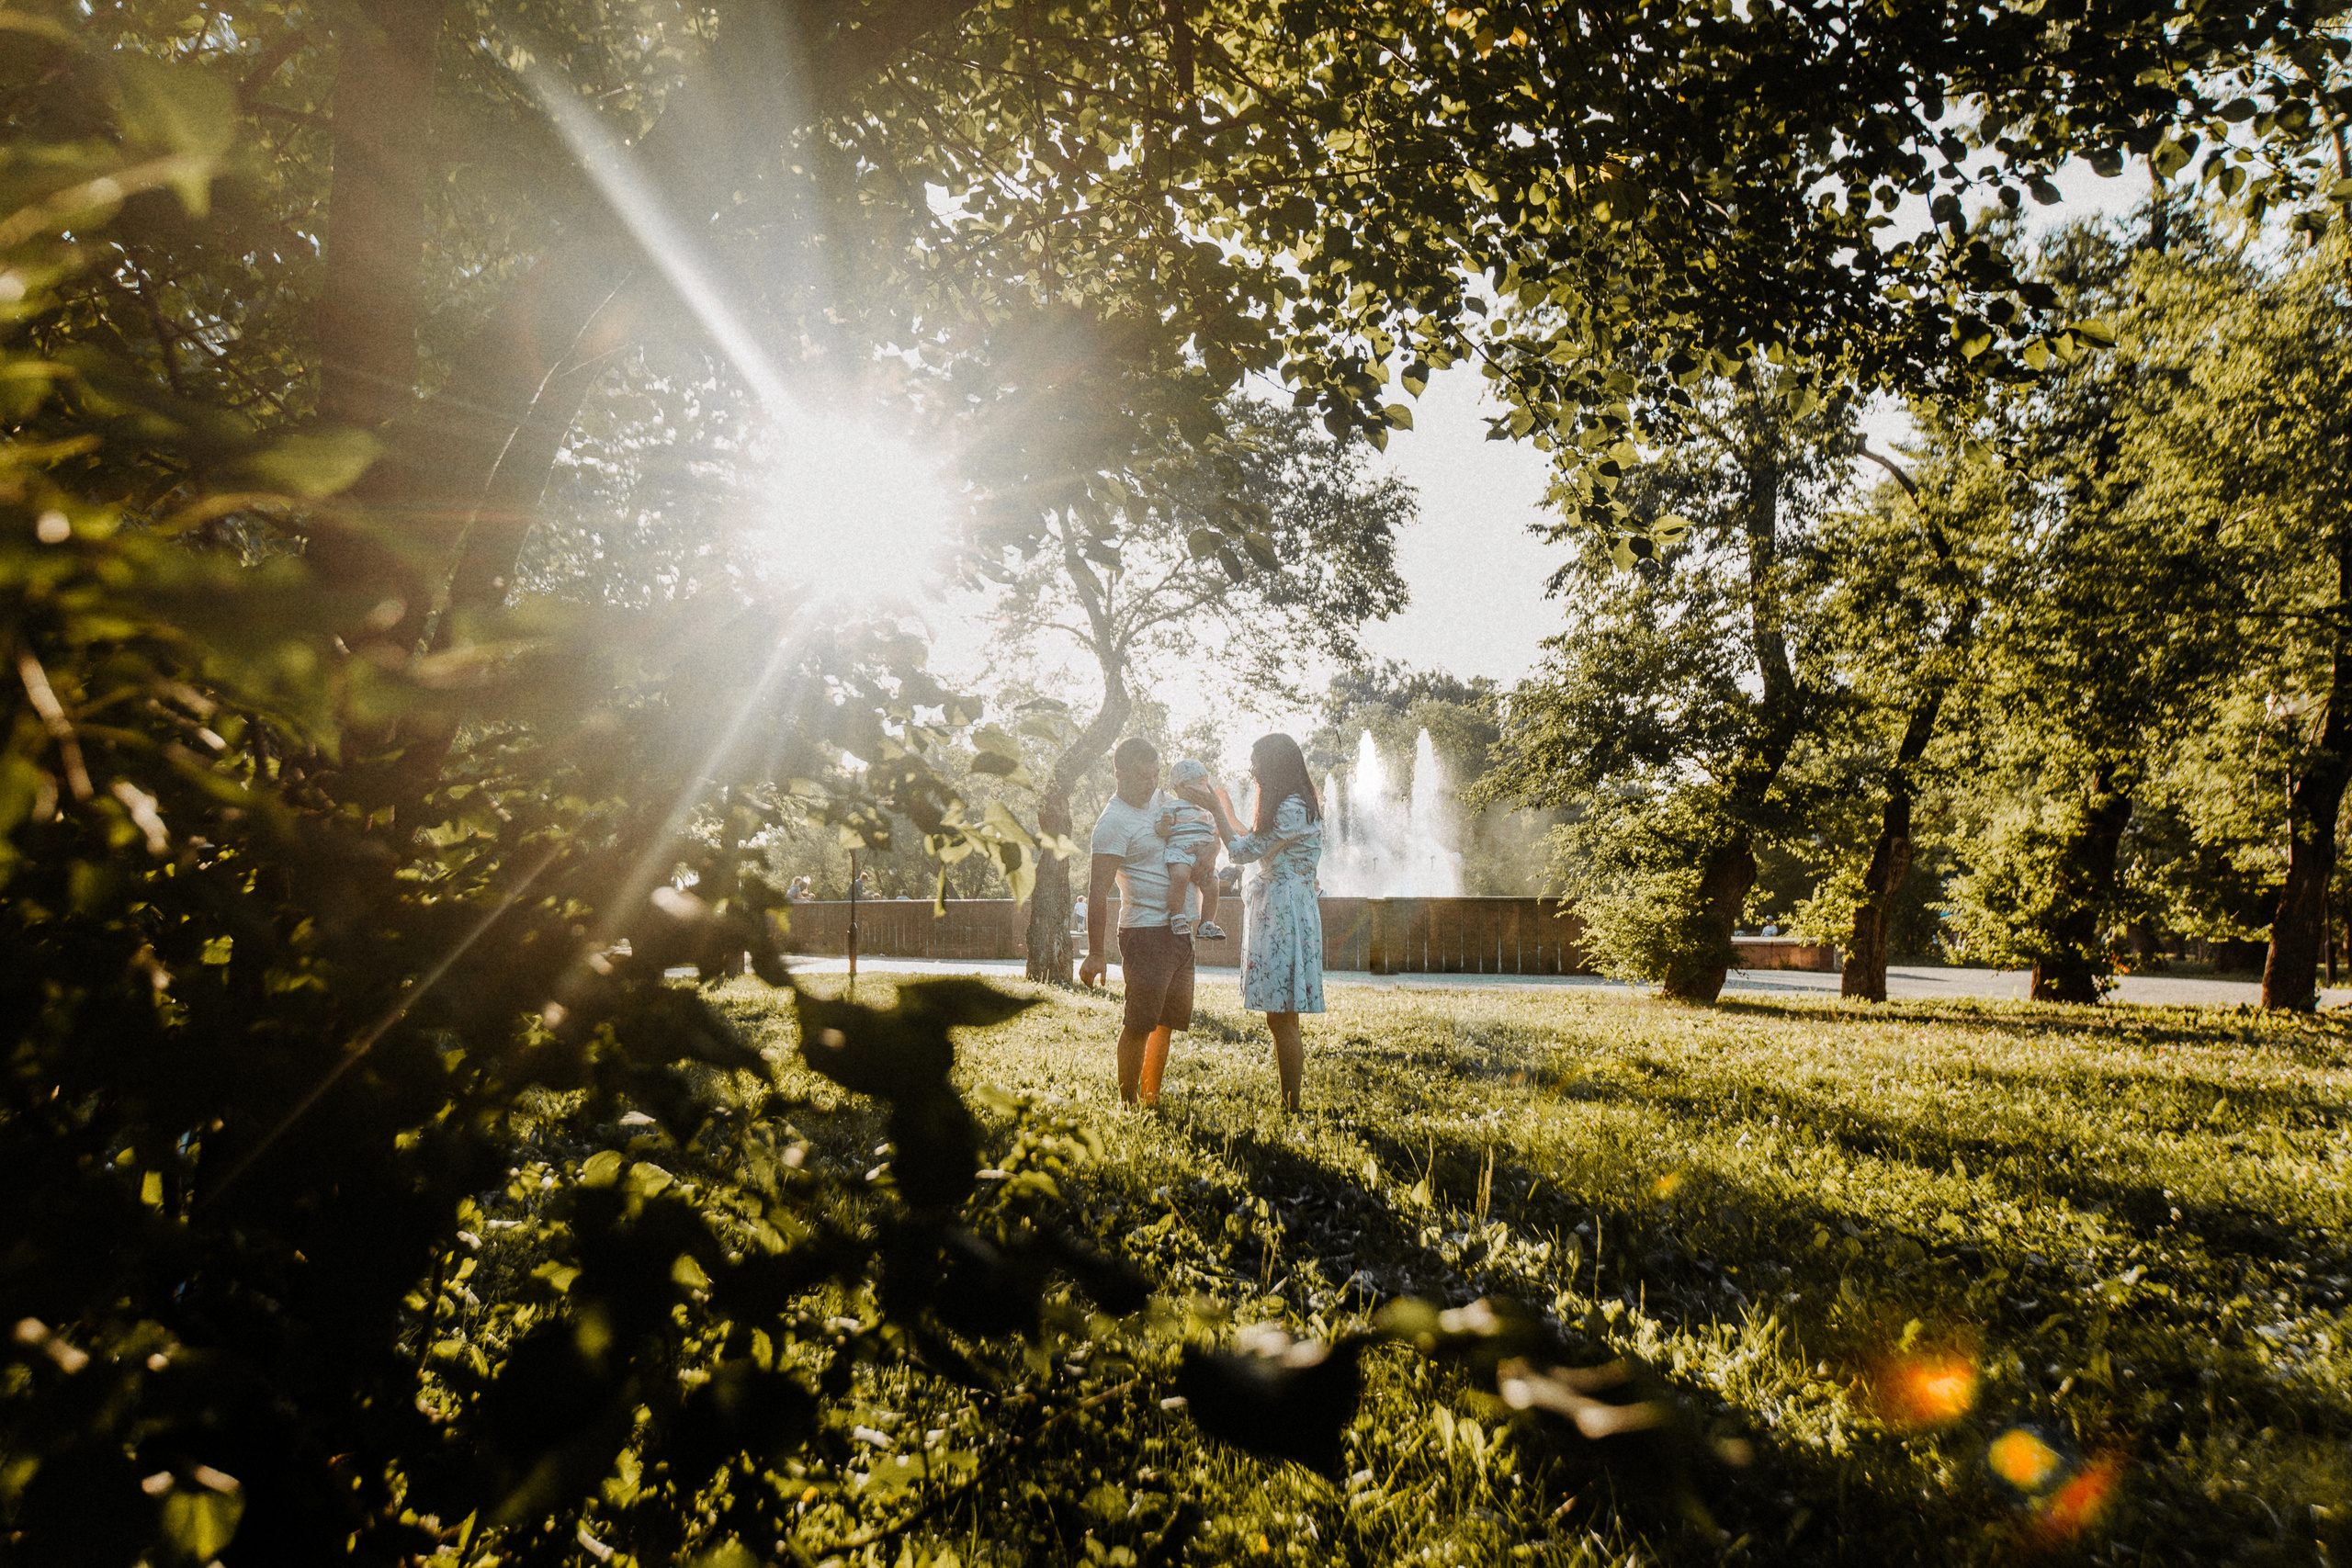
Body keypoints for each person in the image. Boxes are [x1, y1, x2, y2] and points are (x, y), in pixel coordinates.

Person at [1176, 732, 1324, 1111]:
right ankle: (1290, 1103)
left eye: (1257, 760)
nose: (1251, 768)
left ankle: (1292, 1107)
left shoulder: (1290, 806)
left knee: (1282, 1016)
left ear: (1275, 764)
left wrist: (1213, 808)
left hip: (1283, 914)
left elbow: (1242, 852)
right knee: (1281, 1015)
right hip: (1286, 909)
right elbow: (1255, 839)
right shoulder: (1295, 804)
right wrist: (1224, 809)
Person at [1079, 738, 1195, 1106]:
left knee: (1165, 1022)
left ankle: (1150, 1095)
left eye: (1154, 774)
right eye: (1141, 776)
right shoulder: (1112, 822)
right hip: (1145, 931)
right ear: (1119, 774)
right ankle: (1128, 1102)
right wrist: (1096, 953)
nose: (1150, 783)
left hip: (1178, 931)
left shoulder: (1161, 800)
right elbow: (1098, 892)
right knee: (1140, 1022)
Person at [1159, 759, 1226, 942]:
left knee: (1212, 885)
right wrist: (1164, 824)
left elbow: (1215, 835)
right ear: (1182, 786)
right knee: (1180, 876)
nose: (1206, 788)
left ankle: (1206, 923)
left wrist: (1213, 849)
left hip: (1202, 855)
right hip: (1181, 852)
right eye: (1201, 783)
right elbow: (1161, 831)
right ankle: (1177, 916)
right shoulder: (1171, 806)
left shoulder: (1206, 812)